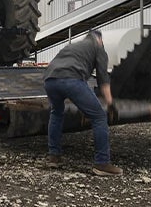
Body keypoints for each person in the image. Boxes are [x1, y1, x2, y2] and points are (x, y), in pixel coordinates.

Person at [42, 30, 123, 176]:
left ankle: (54, 157)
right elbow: (103, 78)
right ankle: (102, 163)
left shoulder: (72, 46)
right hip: (72, 79)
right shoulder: (98, 48)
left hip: (50, 80)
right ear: (99, 40)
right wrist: (110, 103)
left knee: (56, 113)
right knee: (99, 117)